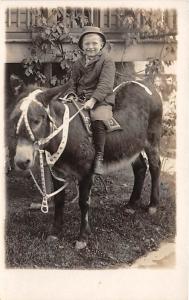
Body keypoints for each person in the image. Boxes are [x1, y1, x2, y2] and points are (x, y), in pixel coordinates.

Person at [68, 26, 116, 175]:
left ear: (101, 45)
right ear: (82, 46)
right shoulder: (78, 63)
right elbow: (72, 82)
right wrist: (70, 94)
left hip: (101, 100)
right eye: (87, 44)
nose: (91, 47)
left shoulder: (107, 61)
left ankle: (99, 158)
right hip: (80, 99)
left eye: (95, 43)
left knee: (98, 120)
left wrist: (93, 100)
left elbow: (105, 84)